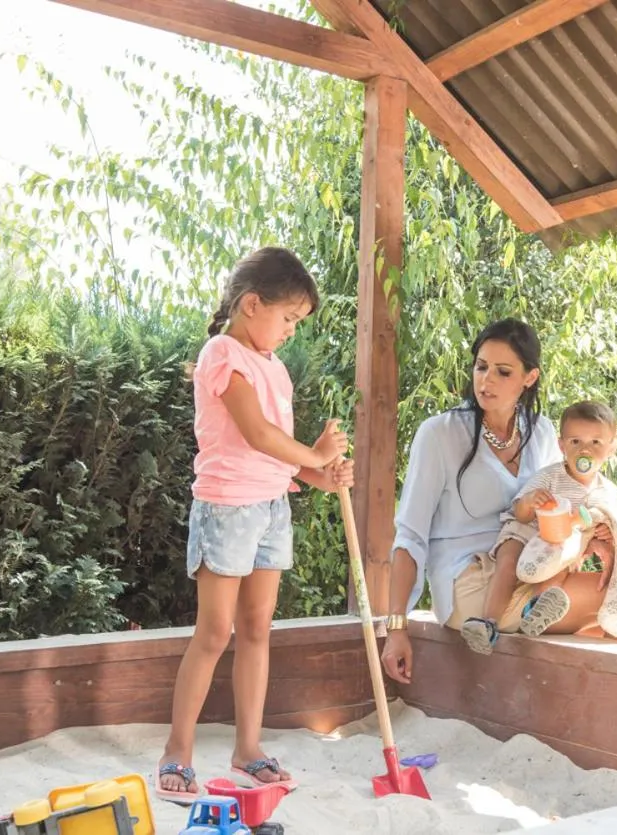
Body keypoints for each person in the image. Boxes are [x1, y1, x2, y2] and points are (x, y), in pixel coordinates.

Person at [156, 246, 354, 802]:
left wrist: (321, 475)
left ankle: (248, 749)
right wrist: (315, 456)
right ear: (251, 304)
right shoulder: (222, 354)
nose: (292, 330)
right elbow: (256, 435)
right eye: (288, 317)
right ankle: (177, 751)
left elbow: (279, 458)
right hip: (226, 508)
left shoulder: (275, 367)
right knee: (215, 632)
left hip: (271, 507)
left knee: (258, 630)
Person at [379, 319, 617, 684]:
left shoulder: (543, 431)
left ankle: (608, 734)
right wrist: (396, 627)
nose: (486, 380)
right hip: (472, 584)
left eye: (503, 372)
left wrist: (598, 538)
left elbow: (568, 500)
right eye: (481, 366)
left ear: (529, 378)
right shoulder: (439, 434)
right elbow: (409, 536)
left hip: (536, 571)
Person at [463, 400, 617, 654]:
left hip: (560, 544)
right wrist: (529, 501)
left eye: (596, 442)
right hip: (526, 532)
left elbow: (609, 525)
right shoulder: (550, 476)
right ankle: (488, 623)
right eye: (575, 442)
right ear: (561, 445)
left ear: (612, 447)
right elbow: (521, 513)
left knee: (558, 570)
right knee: (508, 561)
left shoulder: (607, 492)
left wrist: (605, 534)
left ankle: (537, 610)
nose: (585, 450)